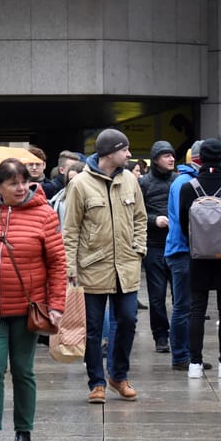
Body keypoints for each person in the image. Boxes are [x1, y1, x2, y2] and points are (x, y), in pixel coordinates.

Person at [0, 158, 66, 441]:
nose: (21, 187)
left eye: (24, 181)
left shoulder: (45, 215)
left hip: (28, 308)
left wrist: (57, 304)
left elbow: (57, 263)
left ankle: (24, 434)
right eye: (13, 183)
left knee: (23, 370)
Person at [61, 128, 147, 404]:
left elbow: (140, 219)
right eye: (125, 149)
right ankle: (97, 382)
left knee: (128, 320)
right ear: (111, 152)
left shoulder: (131, 182)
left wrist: (139, 249)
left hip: (126, 267)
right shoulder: (81, 184)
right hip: (92, 268)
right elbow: (71, 230)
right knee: (93, 329)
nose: (129, 154)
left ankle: (118, 376)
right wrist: (70, 269)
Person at [176, 138, 221, 379]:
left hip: (198, 257)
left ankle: (195, 364)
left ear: (200, 158)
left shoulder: (188, 188)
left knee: (197, 309)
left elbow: (184, 225)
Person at [165, 140, 207, 372]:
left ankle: (188, 355)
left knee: (187, 306)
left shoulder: (183, 180)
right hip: (182, 251)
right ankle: (181, 356)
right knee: (183, 307)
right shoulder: (185, 182)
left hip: (182, 250)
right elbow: (185, 221)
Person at [139, 140, 177, 353]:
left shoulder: (179, 180)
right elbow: (137, 214)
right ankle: (161, 337)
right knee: (157, 296)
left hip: (177, 245)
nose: (171, 158)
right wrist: (155, 220)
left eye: (172, 155)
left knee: (181, 296)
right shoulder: (144, 183)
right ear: (155, 160)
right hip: (154, 246)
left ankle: (180, 337)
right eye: (165, 155)